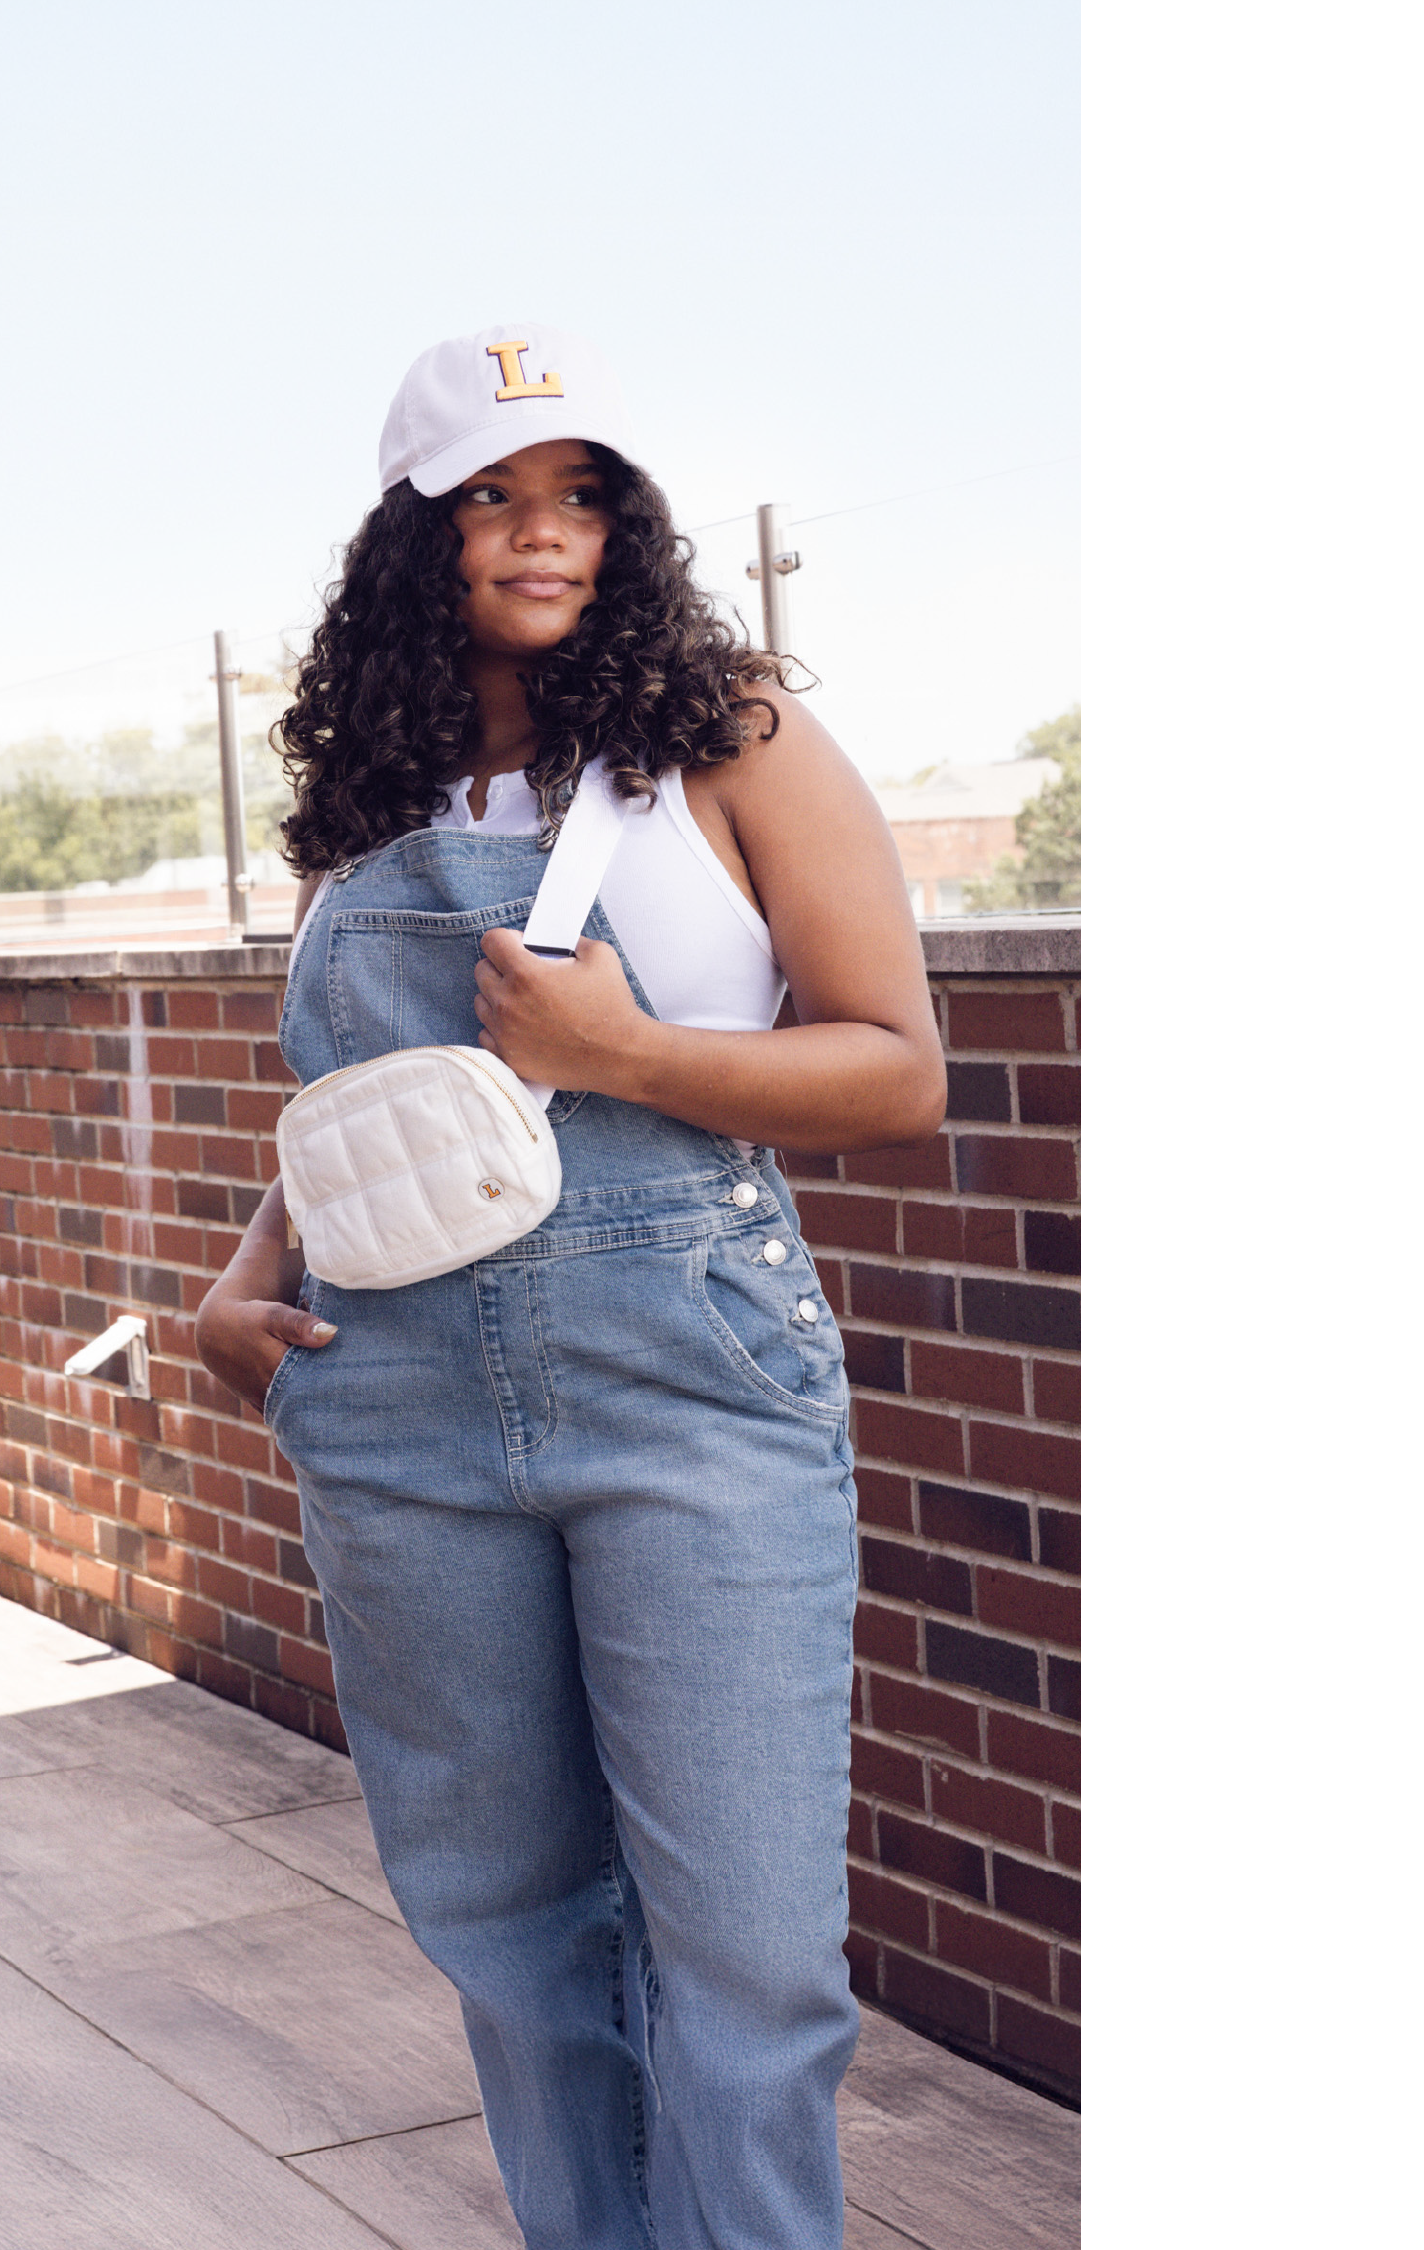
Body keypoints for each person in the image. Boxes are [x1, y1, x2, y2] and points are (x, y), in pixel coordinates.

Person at [189, 324, 942, 2247]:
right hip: (398, 1393)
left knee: (747, 1962)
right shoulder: (374, 779)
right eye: (497, 496)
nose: (547, 533)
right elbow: (366, 1096)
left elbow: (895, 1064)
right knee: (514, 1936)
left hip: (690, 1375)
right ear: (410, 535)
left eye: (585, 492)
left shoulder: (728, 734)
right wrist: (244, 1274)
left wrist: (629, 1059)